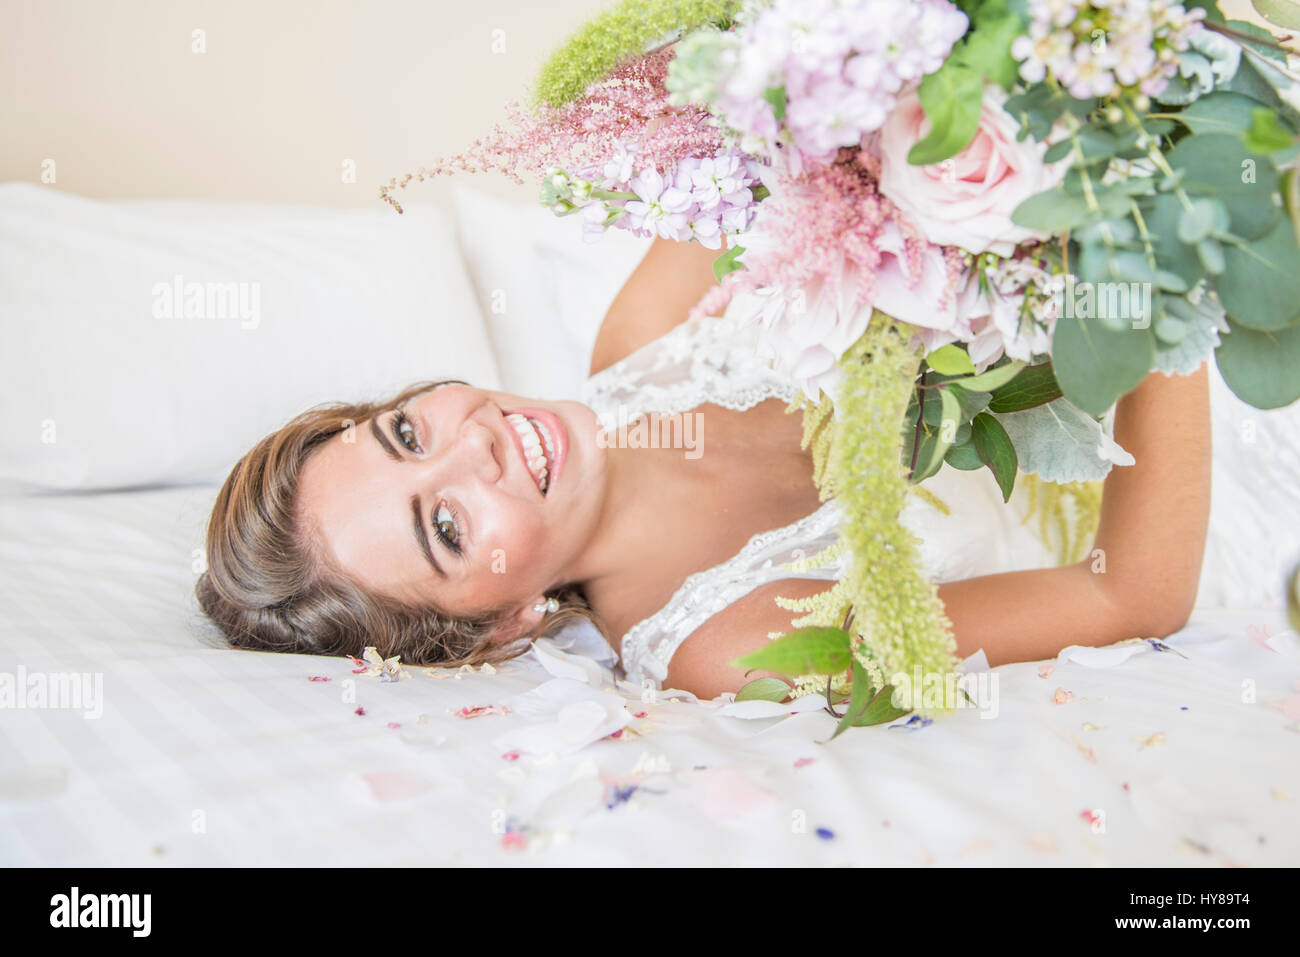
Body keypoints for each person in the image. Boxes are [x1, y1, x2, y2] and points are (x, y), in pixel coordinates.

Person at [195, 235, 1212, 699]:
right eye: (446, 526)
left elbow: (790, 118)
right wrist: (1161, 276)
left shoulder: (643, 334)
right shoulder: (723, 641)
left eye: (406, 434)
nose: (478, 446)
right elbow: (1132, 592)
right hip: (1201, 422)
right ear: (501, 625)